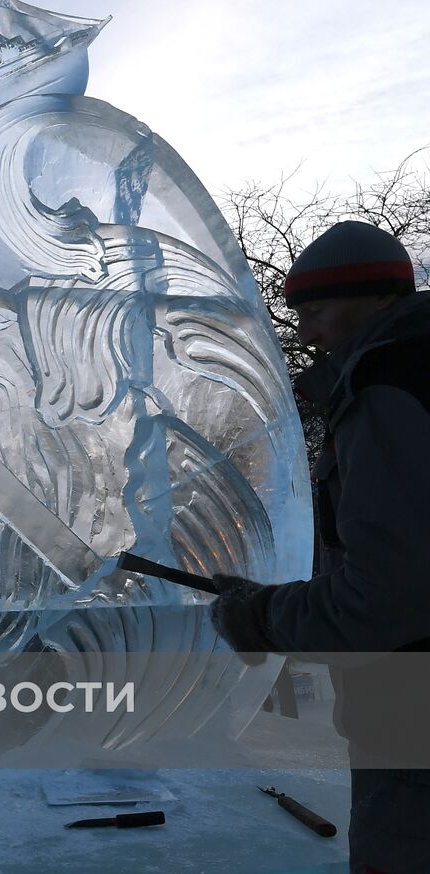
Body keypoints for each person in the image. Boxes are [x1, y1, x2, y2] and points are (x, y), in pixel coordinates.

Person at [209, 220, 430, 872]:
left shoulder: (389, 385)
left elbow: (392, 597)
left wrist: (258, 616)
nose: (304, 334)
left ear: (375, 298)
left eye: (316, 312)